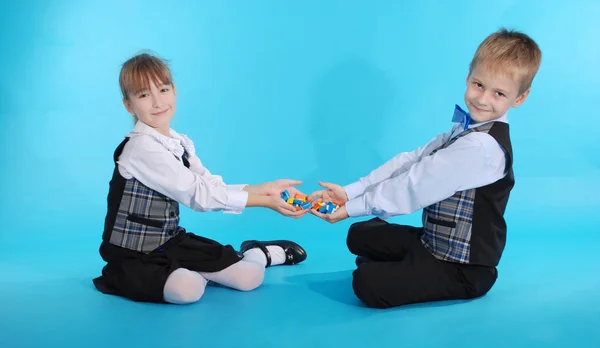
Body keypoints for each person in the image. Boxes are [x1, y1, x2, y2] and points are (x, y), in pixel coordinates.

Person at [309, 28, 542, 309]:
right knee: (359, 233)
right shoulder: (465, 129)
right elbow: (411, 160)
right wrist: (349, 193)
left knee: (366, 283)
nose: (482, 99)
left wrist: (351, 208)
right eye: (479, 85)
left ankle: (399, 270)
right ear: (468, 76)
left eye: (499, 93)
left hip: (463, 267)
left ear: (519, 98)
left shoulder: (480, 149)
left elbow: (414, 186)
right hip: (431, 242)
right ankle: (405, 265)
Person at [93, 52, 308, 304]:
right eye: (143, 95)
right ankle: (193, 273)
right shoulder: (142, 148)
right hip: (132, 255)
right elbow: (200, 196)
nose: (157, 102)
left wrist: (265, 189)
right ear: (129, 105)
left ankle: (258, 253)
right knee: (188, 290)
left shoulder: (177, 143)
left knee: (249, 278)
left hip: (169, 242)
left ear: (174, 90)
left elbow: (210, 185)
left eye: (163, 90)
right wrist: (264, 201)